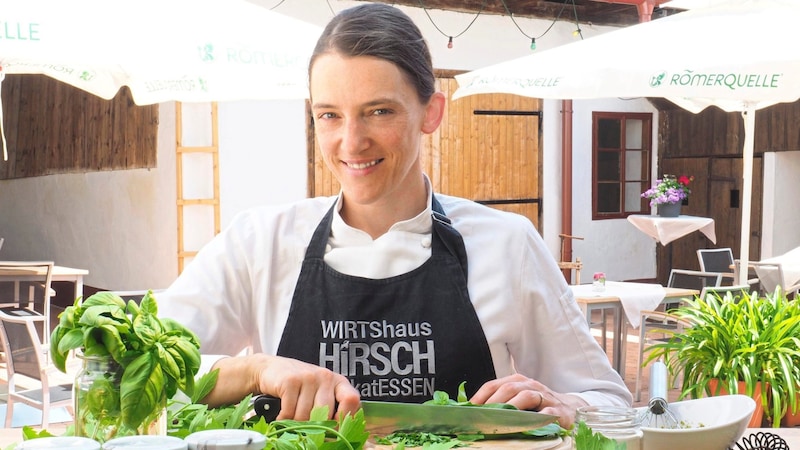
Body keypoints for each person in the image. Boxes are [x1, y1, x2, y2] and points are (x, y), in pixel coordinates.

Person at [159, 3, 631, 428]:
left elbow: (612, 401)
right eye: (329, 115)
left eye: (379, 111)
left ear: (431, 112)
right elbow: (140, 368)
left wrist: (569, 406)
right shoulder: (259, 241)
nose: (351, 141)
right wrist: (256, 368)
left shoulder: (507, 243)